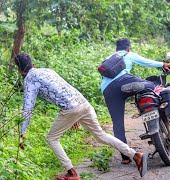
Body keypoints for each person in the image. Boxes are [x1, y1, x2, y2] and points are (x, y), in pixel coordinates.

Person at [14, 53, 148, 180]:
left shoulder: (30, 79)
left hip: (71, 108)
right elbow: (63, 88)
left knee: (51, 138)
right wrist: (75, 115)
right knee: (101, 135)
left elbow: (28, 108)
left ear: (19, 70)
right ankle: (135, 155)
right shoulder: (47, 70)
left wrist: (22, 132)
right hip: (83, 103)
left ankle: (71, 172)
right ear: (33, 64)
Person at [101, 38, 170, 164]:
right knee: (152, 85)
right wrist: (163, 65)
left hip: (107, 89)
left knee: (117, 124)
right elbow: (146, 62)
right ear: (128, 48)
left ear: (116, 49)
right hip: (124, 80)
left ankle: (125, 156)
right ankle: (153, 95)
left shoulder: (109, 57)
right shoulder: (129, 54)